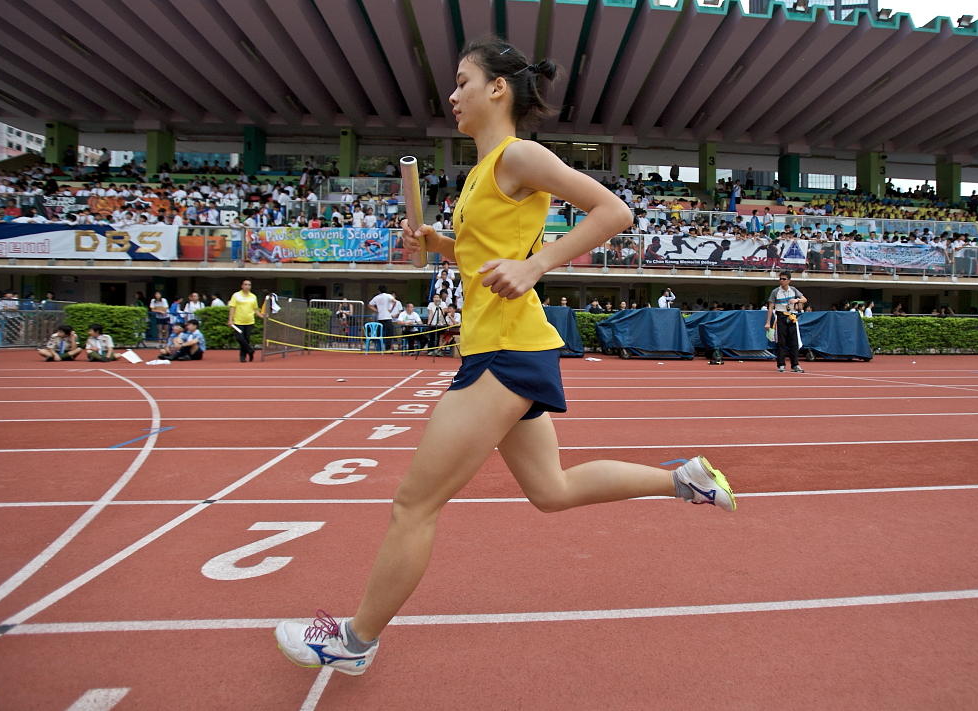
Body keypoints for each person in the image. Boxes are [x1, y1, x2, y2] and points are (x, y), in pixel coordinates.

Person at [274, 37, 736, 676]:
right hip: (502, 346)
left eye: (463, 81)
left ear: (498, 88)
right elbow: (482, 258)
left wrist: (537, 264)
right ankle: (684, 479)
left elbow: (614, 211)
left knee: (414, 503)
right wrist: (439, 241)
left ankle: (355, 641)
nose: (454, 94)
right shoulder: (479, 174)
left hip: (505, 350)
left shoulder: (519, 155)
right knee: (552, 490)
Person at [764, 271, 806, 373]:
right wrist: (768, 322)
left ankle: (795, 365)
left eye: (784, 279)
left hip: (792, 317)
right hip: (781, 317)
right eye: (780, 279)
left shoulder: (794, 290)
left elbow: (804, 299)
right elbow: (770, 307)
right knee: (781, 342)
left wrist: (797, 301)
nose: (781, 281)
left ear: (789, 280)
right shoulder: (775, 292)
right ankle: (781, 364)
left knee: (794, 342)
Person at [227, 279, 264, 362]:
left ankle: (243, 357)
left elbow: (255, 309)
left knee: (246, 339)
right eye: (245, 284)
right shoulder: (236, 295)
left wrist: (262, 316)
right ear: (242, 286)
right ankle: (250, 350)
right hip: (238, 321)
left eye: (249, 285)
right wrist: (230, 320)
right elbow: (232, 307)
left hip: (249, 321)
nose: (247, 286)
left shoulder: (253, 296)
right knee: (240, 338)